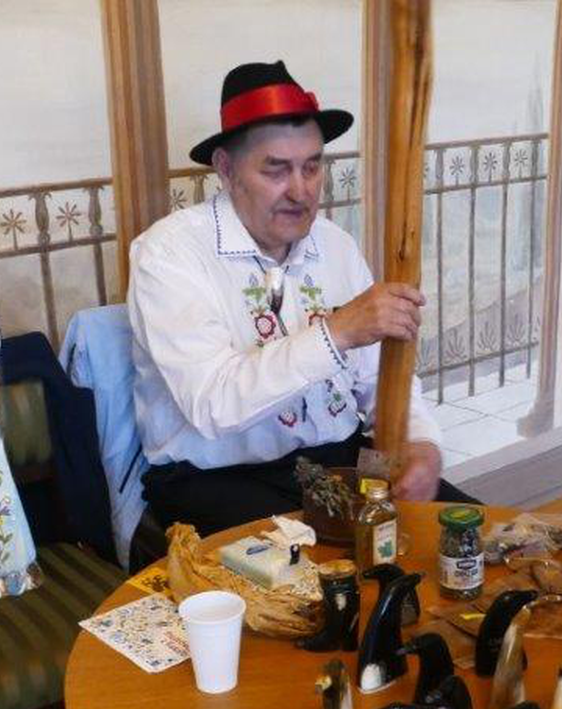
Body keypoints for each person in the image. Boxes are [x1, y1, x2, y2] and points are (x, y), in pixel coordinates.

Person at [128, 61, 475, 536]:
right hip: (217, 479)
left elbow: (380, 378)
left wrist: (421, 443)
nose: (300, 190)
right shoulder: (169, 254)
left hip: (337, 461)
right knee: (336, 575)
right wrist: (337, 332)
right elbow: (214, 405)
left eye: (312, 167)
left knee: (468, 537)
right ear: (226, 169)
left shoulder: (334, 245)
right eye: (276, 169)